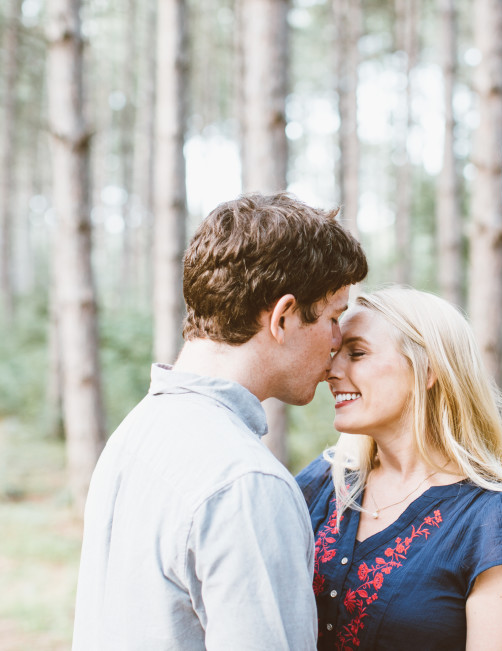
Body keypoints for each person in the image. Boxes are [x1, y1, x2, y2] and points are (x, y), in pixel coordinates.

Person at [72, 193, 368, 650]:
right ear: (284, 317)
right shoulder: (246, 483)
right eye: (332, 317)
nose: (336, 340)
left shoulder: (136, 432)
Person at [296, 287, 502, 651]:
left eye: (356, 353)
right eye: (334, 353)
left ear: (428, 369)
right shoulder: (322, 482)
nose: (331, 370)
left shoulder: (498, 522)